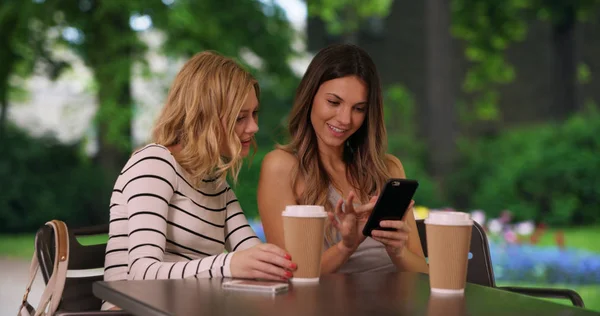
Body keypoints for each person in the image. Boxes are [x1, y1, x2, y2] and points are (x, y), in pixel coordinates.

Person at [102, 51, 296, 309]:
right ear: (204, 116)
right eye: (240, 117)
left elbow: (252, 255)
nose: (253, 127)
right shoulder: (153, 164)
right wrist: (230, 264)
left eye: (254, 114)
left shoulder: (214, 183)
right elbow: (142, 274)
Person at [257, 43, 428, 275]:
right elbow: (290, 275)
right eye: (334, 103)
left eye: (358, 109)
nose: (345, 119)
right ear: (310, 97)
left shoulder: (388, 168)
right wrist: (346, 246)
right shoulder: (281, 166)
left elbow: (423, 274)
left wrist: (397, 251)